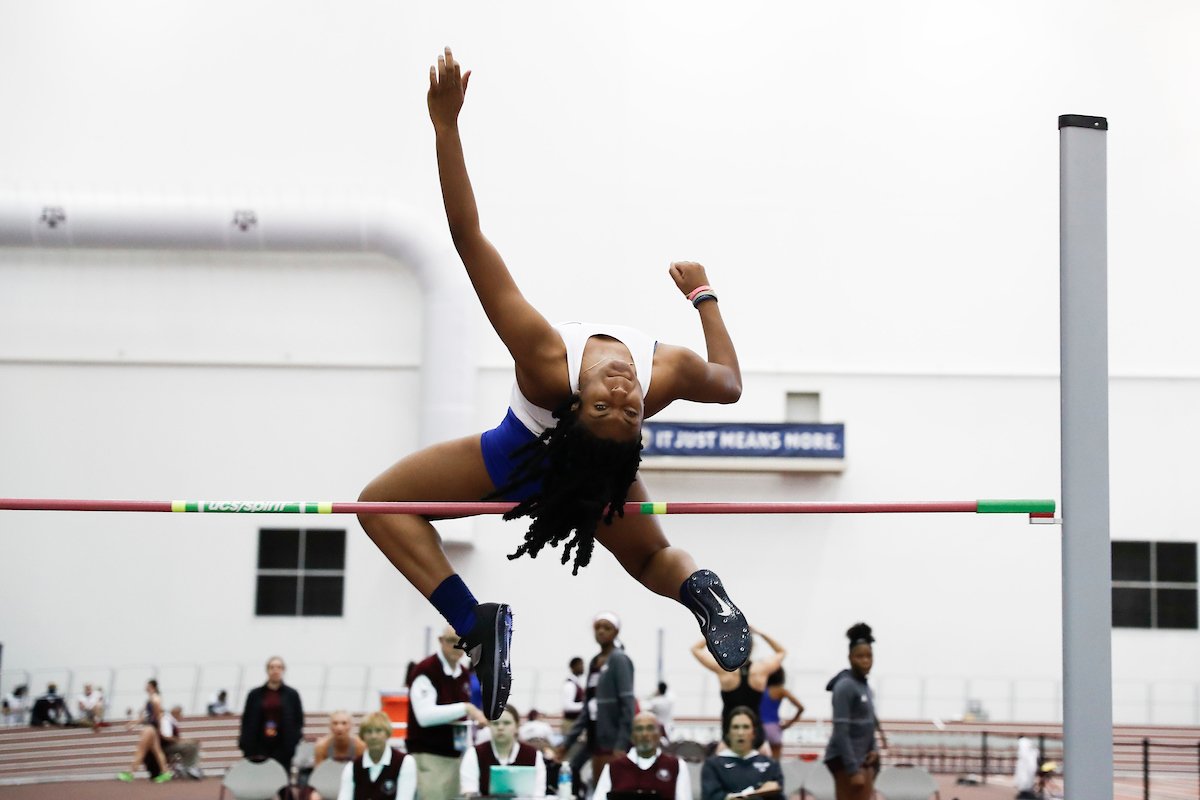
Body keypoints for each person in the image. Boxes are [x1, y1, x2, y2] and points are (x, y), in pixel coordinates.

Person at [357, 46, 751, 721]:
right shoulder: (662, 376)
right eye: (625, 407)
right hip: (568, 468)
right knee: (654, 556)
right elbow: (728, 383)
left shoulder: (545, 361)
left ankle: (479, 622)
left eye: (616, 403)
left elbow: (467, 237)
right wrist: (706, 297)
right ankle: (697, 589)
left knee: (379, 504)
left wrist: (446, 129)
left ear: (573, 405)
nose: (626, 391)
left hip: (522, 456)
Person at [407, 625, 490, 800]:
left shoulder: (464, 674)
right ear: (441, 641)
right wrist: (466, 708)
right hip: (429, 755)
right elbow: (424, 716)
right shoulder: (426, 670)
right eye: (451, 641)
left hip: (455, 755)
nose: (456, 646)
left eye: (461, 642)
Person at [559, 613, 635, 798]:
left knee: (611, 789)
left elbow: (627, 704)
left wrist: (621, 743)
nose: (601, 631)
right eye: (598, 627)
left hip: (612, 739)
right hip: (595, 737)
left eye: (606, 628)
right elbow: (588, 707)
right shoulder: (594, 662)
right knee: (582, 778)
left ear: (616, 632)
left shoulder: (620, 660)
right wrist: (566, 744)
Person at [691, 626, 787, 750]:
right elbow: (781, 652)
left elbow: (696, 649)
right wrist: (761, 633)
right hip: (755, 735)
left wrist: (720, 631)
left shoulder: (724, 669)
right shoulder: (761, 669)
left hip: (729, 735)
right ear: (752, 647)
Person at [823, 623, 879, 800]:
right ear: (850, 657)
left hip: (862, 758)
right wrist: (852, 769)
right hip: (846, 762)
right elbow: (841, 730)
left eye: (869, 656)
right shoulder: (845, 687)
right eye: (859, 656)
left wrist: (874, 748)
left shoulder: (865, 686)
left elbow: (869, 723)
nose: (865, 660)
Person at [592, 711, 690, 800]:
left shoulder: (676, 766)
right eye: (639, 729)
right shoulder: (613, 768)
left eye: (650, 728)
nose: (644, 734)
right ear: (632, 736)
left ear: (659, 734)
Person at [461, 704, 546, 798]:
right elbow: (469, 791)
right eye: (495, 723)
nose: (500, 728)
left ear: (517, 726)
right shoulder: (474, 753)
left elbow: (539, 794)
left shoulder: (533, 755)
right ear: (489, 725)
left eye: (506, 723)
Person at [239, 656, 305, 775]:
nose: (275, 671)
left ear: (283, 670)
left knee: (282, 778)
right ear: (267, 670)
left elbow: (298, 720)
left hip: (282, 743)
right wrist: (245, 743)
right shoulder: (254, 694)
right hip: (259, 743)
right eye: (272, 667)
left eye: (279, 667)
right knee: (259, 777)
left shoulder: (292, 695)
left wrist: (294, 740)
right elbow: (247, 720)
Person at [700, 707, 782, 800]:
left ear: (753, 732)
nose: (740, 732)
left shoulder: (771, 765)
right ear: (728, 732)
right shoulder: (713, 765)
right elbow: (709, 796)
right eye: (735, 727)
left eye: (746, 727)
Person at [336, 711, 416, 800]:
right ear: (363, 736)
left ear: (387, 733)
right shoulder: (352, 767)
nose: (373, 736)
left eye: (378, 730)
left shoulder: (405, 762)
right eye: (369, 731)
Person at [117, 679, 172, 783]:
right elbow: (143, 716)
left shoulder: (155, 698)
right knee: (157, 751)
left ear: (153, 687)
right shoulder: (151, 699)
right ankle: (166, 772)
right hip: (151, 727)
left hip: (150, 728)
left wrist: (160, 729)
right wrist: (132, 723)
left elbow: (159, 714)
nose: (146, 688)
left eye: (148, 686)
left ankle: (130, 773)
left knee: (140, 750)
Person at [759, 669, 803, 760]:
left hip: (758, 726)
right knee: (775, 761)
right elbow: (800, 708)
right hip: (773, 726)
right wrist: (789, 723)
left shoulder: (758, 689)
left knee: (758, 760)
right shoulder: (780, 690)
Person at [159, 705, 203, 779]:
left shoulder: (171, 720)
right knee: (190, 746)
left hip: (170, 745)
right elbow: (166, 737)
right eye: (180, 713)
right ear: (175, 712)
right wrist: (182, 741)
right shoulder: (166, 720)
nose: (181, 716)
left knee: (193, 743)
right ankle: (188, 767)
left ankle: (192, 765)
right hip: (167, 747)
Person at [562, 658, 586, 734]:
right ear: (574, 666)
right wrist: (585, 706)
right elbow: (567, 706)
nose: (583, 668)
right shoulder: (570, 684)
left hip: (577, 722)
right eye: (581, 665)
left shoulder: (577, 683)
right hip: (571, 723)